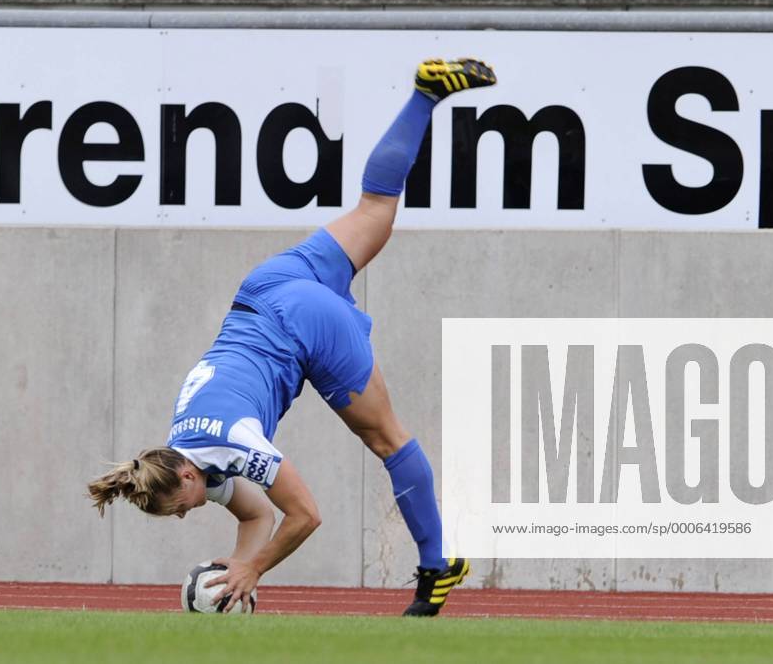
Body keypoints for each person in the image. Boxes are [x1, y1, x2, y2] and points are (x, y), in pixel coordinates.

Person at [87, 58, 497, 616]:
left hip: (302, 326)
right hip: (267, 287)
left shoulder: (227, 446)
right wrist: (241, 573)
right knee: (376, 204)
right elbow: (257, 516)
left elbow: (305, 514)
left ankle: (436, 565)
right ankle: (425, 94)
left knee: (389, 440)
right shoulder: (183, 440)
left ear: (184, 476)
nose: (187, 513)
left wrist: (256, 566)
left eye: (179, 506)